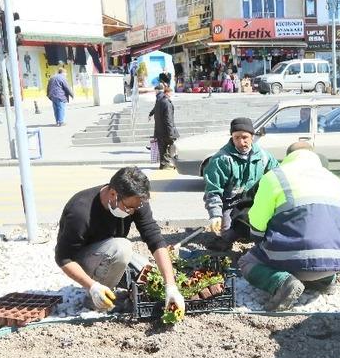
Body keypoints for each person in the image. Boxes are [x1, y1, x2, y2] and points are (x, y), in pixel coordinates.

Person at [239, 142, 340, 311]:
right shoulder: (338, 182)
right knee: (321, 248)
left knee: (247, 262)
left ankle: (283, 283)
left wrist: (258, 238)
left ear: (288, 157)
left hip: (296, 259)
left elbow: (257, 220)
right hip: (339, 259)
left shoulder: (275, 177)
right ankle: (325, 281)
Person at [54, 167, 185, 314]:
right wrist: (93, 287)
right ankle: (96, 302)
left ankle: (113, 287)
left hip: (109, 253)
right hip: (83, 261)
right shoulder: (80, 211)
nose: (133, 212)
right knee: (121, 247)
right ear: (113, 194)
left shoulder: (136, 200)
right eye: (129, 207)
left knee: (150, 276)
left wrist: (171, 286)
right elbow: (63, 258)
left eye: (136, 207)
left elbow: (154, 237)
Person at [203, 117, 279, 249]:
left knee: (263, 231)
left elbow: (278, 178)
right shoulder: (221, 159)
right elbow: (213, 190)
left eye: (245, 137)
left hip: (254, 202)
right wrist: (215, 215)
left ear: (252, 137)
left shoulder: (264, 157)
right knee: (226, 237)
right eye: (236, 137)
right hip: (230, 205)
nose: (241, 142)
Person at [149, 84, 179, 170]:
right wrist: (171, 133)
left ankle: (163, 164)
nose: (172, 95)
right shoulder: (166, 103)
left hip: (159, 130)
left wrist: (150, 114)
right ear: (168, 93)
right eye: (171, 93)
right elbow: (168, 119)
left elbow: (156, 113)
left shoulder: (159, 101)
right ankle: (166, 163)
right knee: (170, 147)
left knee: (162, 148)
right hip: (166, 130)